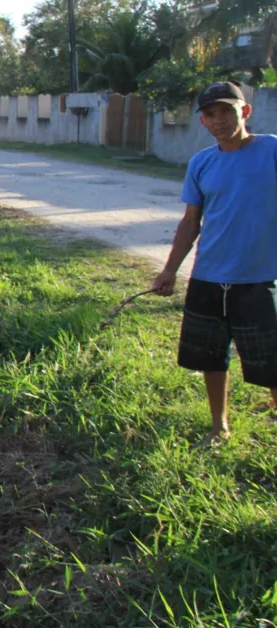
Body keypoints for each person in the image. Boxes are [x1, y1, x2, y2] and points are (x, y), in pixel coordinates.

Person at [152, 81, 277, 448]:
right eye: (211, 114)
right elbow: (191, 221)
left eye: (227, 111)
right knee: (212, 356)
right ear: (203, 122)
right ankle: (219, 425)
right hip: (207, 276)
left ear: (245, 112)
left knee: (271, 357)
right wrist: (169, 269)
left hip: (258, 278)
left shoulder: (271, 151)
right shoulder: (202, 163)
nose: (220, 120)